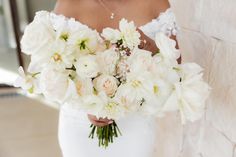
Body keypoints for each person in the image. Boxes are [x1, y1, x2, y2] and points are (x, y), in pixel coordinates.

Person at [54, 0, 179, 156]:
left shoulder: (156, 3)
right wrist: (89, 103)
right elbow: (53, 67)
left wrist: (147, 46)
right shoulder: (69, 3)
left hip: (135, 124)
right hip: (80, 123)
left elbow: (175, 65)